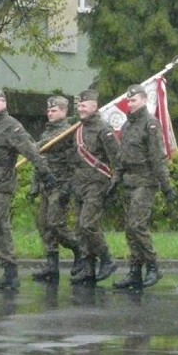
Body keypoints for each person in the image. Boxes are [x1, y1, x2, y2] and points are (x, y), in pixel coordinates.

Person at [0, 88, 57, 290]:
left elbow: (31, 151)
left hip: (2, 184)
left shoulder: (12, 127)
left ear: (5, 104)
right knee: (1, 229)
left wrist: (45, 173)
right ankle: (11, 274)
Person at [109, 84, 177, 289]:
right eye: (129, 101)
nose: (130, 104)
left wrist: (166, 186)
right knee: (129, 230)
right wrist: (115, 179)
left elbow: (158, 158)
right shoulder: (128, 126)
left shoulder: (151, 124)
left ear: (145, 100)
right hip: (129, 182)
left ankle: (154, 266)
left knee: (136, 225)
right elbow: (122, 157)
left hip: (146, 181)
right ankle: (135, 270)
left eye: (134, 100)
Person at [70, 89, 120, 285]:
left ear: (94, 106)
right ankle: (89, 268)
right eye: (79, 105)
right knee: (80, 229)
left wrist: (116, 180)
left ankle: (107, 259)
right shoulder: (78, 129)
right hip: (79, 184)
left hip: (96, 184)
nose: (80, 108)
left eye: (84, 105)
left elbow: (117, 157)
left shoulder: (103, 129)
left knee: (88, 224)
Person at [30, 96, 81, 283]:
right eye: (49, 110)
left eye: (54, 110)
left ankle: (79, 249)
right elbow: (39, 161)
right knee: (44, 224)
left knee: (55, 223)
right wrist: (35, 186)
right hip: (46, 185)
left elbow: (75, 162)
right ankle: (52, 265)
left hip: (61, 185)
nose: (50, 113)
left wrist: (69, 187)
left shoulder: (69, 133)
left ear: (64, 111)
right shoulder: (47, 133)